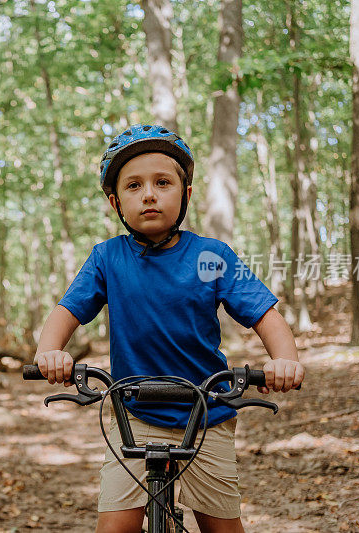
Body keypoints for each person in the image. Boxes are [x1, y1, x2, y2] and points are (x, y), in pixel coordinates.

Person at [33, 124, 305, 533]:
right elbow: (65, 312)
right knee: (114, 527)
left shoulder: (210, 256)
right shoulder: (107, 258)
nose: (148, 194)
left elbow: (265, 315)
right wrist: (49, 351)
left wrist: (284, 360)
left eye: (162, 182)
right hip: (135, 412)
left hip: (206, 411)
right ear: (115, 202)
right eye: (133, 186)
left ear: (186, 195)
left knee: (223, 528)